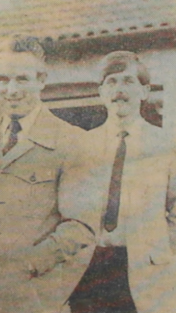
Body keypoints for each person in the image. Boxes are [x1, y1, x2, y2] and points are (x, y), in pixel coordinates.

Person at [0, 36, 96, 313]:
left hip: (30, 298)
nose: (11, 90)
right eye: (2, 80)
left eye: (22, 79)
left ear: (42, 79)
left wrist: (28, 266)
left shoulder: (72, 142)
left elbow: (79, 228)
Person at [67, 51, 176, 313]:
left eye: (128, 81)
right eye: (112, 82)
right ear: (101, 92)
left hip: (144, 268)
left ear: (145, 91)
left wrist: (163, 250)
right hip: (91, 267)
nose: (119, 90)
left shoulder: (166, 144)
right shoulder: (81, 145)